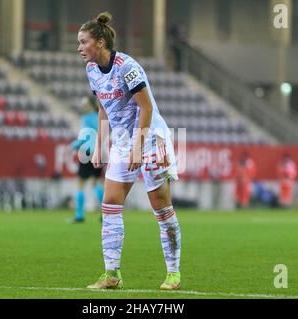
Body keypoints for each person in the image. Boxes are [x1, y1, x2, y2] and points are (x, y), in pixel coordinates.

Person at [77, 12, 181, 290]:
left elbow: (146, 108)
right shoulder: (90, 70)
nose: (79, 48)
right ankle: (112, 274)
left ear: (99, 42)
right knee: (110, 205)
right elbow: (102, 106)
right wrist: (99, 143)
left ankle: (173, 273)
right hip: (123, 140)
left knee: (160, 206)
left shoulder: (128, 67)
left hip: (150, 137)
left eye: (83, 42)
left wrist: (139, 146)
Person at [70, 95, 104, 223]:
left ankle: (79, 215)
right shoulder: (99, 116)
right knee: (96, 183)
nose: (83, 107)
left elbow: (85, 136)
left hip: (87, 152)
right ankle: (105, 213)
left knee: (81, 184)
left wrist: (76, 145)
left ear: (89, 105)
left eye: (84, 104)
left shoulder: (86, 118)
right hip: (99, 152)